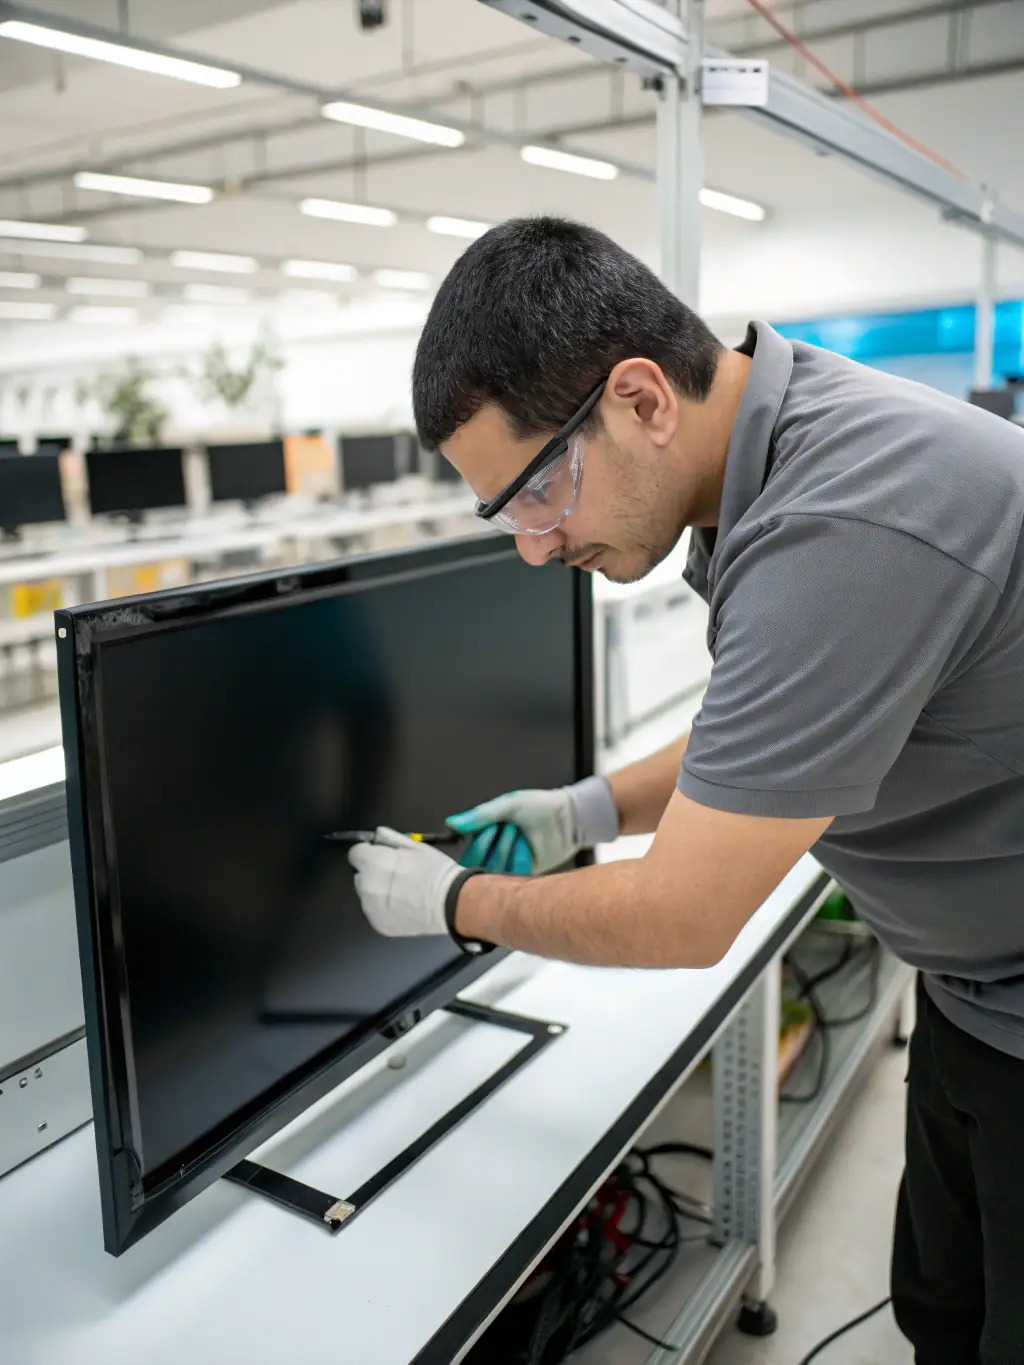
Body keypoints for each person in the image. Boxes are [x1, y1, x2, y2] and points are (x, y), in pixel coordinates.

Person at [348, 217, 1024, 1365]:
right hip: (976, 997)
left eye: (534, 493)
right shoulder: (776, 450)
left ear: (641, 398)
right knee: (944, 1317)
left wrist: (453, 904)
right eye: (502, 514)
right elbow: (766, 732)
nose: (531, 546)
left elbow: (681, 917)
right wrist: (583, 811)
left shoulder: (842, 521)